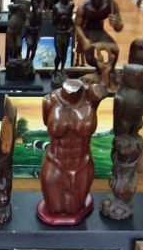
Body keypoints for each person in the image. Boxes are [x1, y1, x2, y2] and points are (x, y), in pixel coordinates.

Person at [38, 79, 107, 225]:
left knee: (75, 208)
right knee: (54, 208)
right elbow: (46, 123)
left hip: (83, 165)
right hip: (55, 165)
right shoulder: (49, 101)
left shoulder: (92, 97)